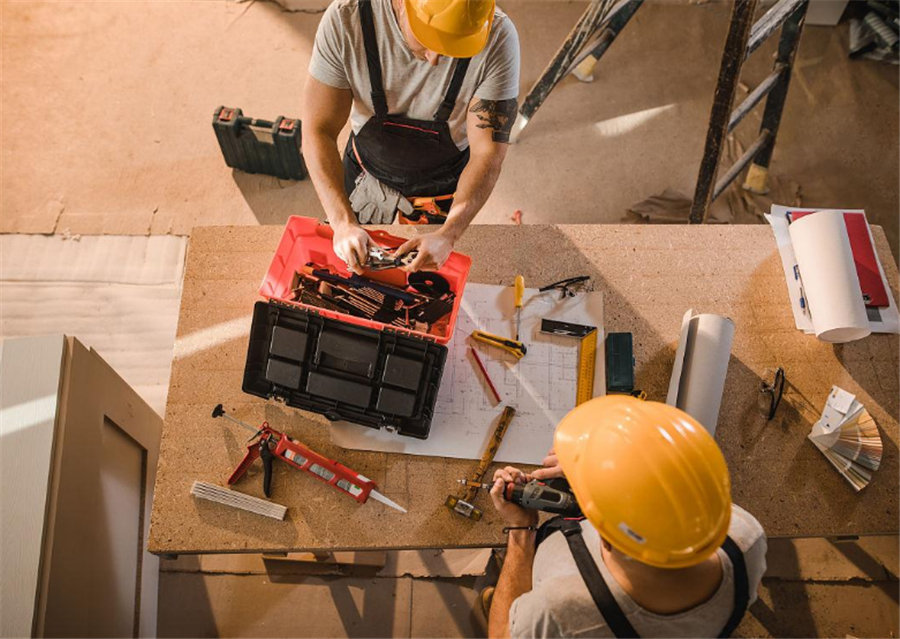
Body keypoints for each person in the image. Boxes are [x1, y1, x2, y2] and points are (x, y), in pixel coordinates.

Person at [486, 396, 768, 638]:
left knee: (502, 605)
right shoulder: (744, 538)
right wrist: (603, 467)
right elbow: (669, 490)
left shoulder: (560, 610)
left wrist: (521, 530)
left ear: (605, 539)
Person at [302, 0, 520, 274]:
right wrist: (342, 222)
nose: (435, 59)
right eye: (430, 39)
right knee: (349, 266)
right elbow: (317, 130)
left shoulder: (498, 37)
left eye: (454, 45)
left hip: (444, 183)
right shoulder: (347, 19)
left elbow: (487, 154)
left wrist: (448, 234)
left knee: (426, 278)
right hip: (365, 172)